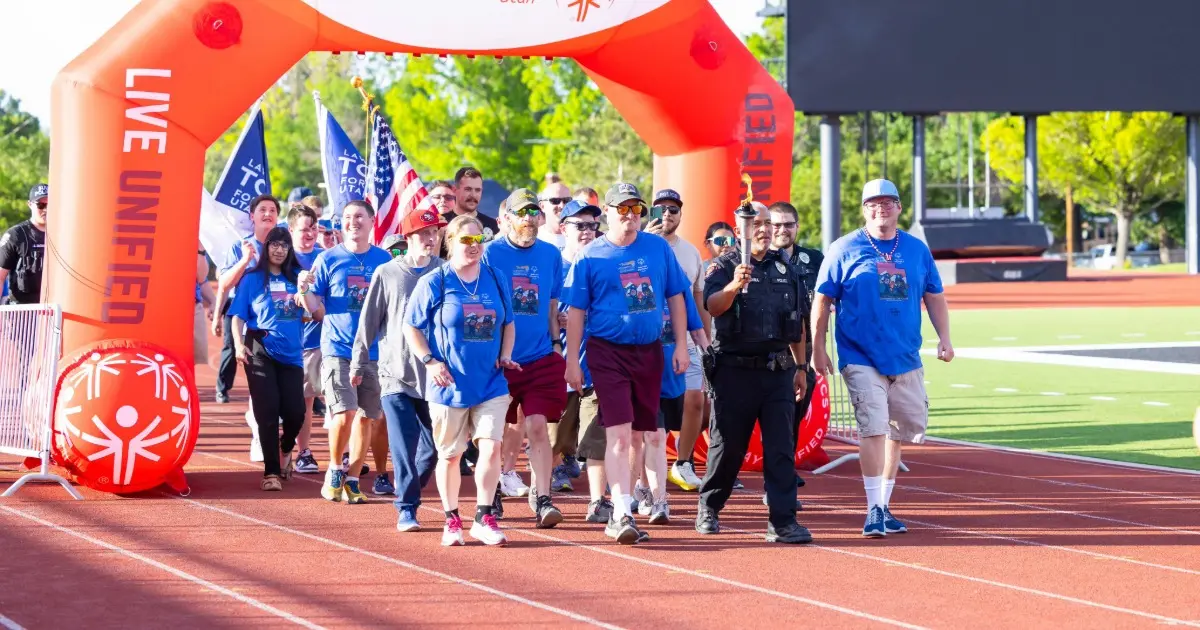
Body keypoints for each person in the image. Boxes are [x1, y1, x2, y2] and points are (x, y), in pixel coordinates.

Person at [811, 179, 954, 538]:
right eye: (873, 203)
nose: (881, 208)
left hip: (905, 355)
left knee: (898, 430)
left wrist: (945, 339)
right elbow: (823, 299)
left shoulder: (916, 250)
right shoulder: (844, 248)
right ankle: (873, 508)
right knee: (873, 428)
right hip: (859, 355)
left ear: (899, 207)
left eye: (888, 202)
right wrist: (817, 346)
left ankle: (885, 505)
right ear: (864, 209)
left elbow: (934, 295)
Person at [563, 182, 690, 545]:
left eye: (636, 210)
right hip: (607, 351)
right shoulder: (591, 256)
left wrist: (681, 345)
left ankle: (630, 498)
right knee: (619, 434)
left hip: (649, 351)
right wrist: (573, 361)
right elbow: (575, 313)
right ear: (607, 212)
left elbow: (677, 297)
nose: (630, 217)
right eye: (623, 210)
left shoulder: (658, 249)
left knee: (639, 434)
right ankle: (620, 511)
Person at [695, 200, 813, 545]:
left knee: (780, 448)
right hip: (734, 372)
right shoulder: (722, 266)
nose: (762, 230)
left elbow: (798, 324)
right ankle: (710, 506)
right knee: (727, 447)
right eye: (754, 224)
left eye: (766, 223)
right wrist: (734, 286)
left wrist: (801, 367)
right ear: (739, 231)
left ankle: (782, 520)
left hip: (777, 370)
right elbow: (713, 306)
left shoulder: (786, 269)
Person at [404, 215, 517, 546]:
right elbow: (411, 326)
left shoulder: (495, 278)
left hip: (491, 382)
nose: (474, 247)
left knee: (491, 447)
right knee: (451, 455)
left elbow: (508, 322)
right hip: (449, 384)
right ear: (450, 242)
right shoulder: (435, 281)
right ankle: (452, 519)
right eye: (466, 241)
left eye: (479, 240)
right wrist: (430, 361)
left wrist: (506, 354)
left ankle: (484, 516)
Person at [354, 208, 444, 532]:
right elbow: (369, 322)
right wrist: (358, 362)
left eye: (434, 232)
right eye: (423, 233)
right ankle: (406, 507)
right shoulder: (388, 273)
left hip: (434, 376)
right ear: (407, 238)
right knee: (403, 445)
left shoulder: (445, 272)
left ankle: (411, 490)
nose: (430, 238)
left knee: (434, 449)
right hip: (396, 374)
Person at [482, 188, 567, 528]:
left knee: (537, 427)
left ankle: (543, 498)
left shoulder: (550, 255)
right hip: (499, 359)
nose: (529, 219)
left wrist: (557, 344)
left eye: (533, 212)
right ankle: (492, 494)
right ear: (505, 219)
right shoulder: (490, 254)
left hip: (540, 357)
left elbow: (550, 305)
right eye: (522, 213)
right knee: (496, 432)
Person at [298, 200, 393, 505]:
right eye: (348, 218)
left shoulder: (383, 259)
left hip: (374, 351)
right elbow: (314, 309)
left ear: (371, 221)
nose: (354, 222)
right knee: (344, 412)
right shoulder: (328, 259)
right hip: (338, 348)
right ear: (341, 224)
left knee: (367, 417)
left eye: (359, 217)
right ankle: (334, 469)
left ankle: (353, 478)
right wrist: (303, 290)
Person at [229, 227, 307, 491]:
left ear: (289, 250)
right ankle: (271, 472)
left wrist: (305, 294)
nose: (278, 249)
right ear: (267, 247)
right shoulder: (252, 279)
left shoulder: (298, 277)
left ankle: (286, 449)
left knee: (296, 413)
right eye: (274, 244)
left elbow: (314, 310)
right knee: (267, 411)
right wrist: (239, 345)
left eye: (284, 246)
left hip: (292, 354)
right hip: (259, 348)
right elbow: (237, 315)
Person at [643, 189, 710, 493]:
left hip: (682, 338)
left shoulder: (690, 251)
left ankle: (683, 462)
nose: (667, 215)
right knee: (650, 408)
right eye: (661, 210)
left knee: (695, 399)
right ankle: (644, 475)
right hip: (647, 341)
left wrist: (704, 337)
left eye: (673, 210)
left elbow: (698, 297)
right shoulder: (639, 244)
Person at [553, 200, 613, 523]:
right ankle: (542, 496)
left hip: (597, 366)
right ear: (564, 228)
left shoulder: (601, 263)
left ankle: (596, 501)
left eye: (592, 226)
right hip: (559, 366)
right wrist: (554, 318)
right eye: (580, 225)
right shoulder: (552, 264)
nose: (588, 232)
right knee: (553, 440)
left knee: (595, 440)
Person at [765, 201, 822, 505]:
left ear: (797, 227)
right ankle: (777, 478)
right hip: (770, 354)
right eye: (776, 224)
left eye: (788, 224)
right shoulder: (759, 259)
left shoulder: (814, 260)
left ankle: (782, 473)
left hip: (804, 353)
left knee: (795, 417)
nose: (782, 230)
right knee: (776, 418)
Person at [213, 194, 280, 404]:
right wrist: (245, 260)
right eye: (262, 210)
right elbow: (224, 285)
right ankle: (223, 388)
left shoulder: (284, 247)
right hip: (240, 312)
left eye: (272, 210)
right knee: (232, 350)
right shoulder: (240, 247)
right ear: (252, 216)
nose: (268, 214)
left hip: (274, 315)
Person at [287, 204, 324, 474]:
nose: (310, 233)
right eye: (304, 228)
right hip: (290, 343)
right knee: (296, 402)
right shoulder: (283, 260)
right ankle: (295, 451)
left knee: (319, 400)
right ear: (291, 230)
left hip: (321, 339)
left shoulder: (325, 258)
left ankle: (311, 452)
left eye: (313, 227)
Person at [0, 183, 49, 305]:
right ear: (30, 204)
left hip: (54, 311)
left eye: (49, 204)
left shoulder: (62, 234)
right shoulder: (16, 235)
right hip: (22, 313)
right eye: (41, 205)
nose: (45, 209)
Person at [538, 180, 572, 249]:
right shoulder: (534, 239)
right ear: (542, 206)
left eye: (566, 200)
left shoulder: (581, 236)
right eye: (555, 201)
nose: (562, 206)